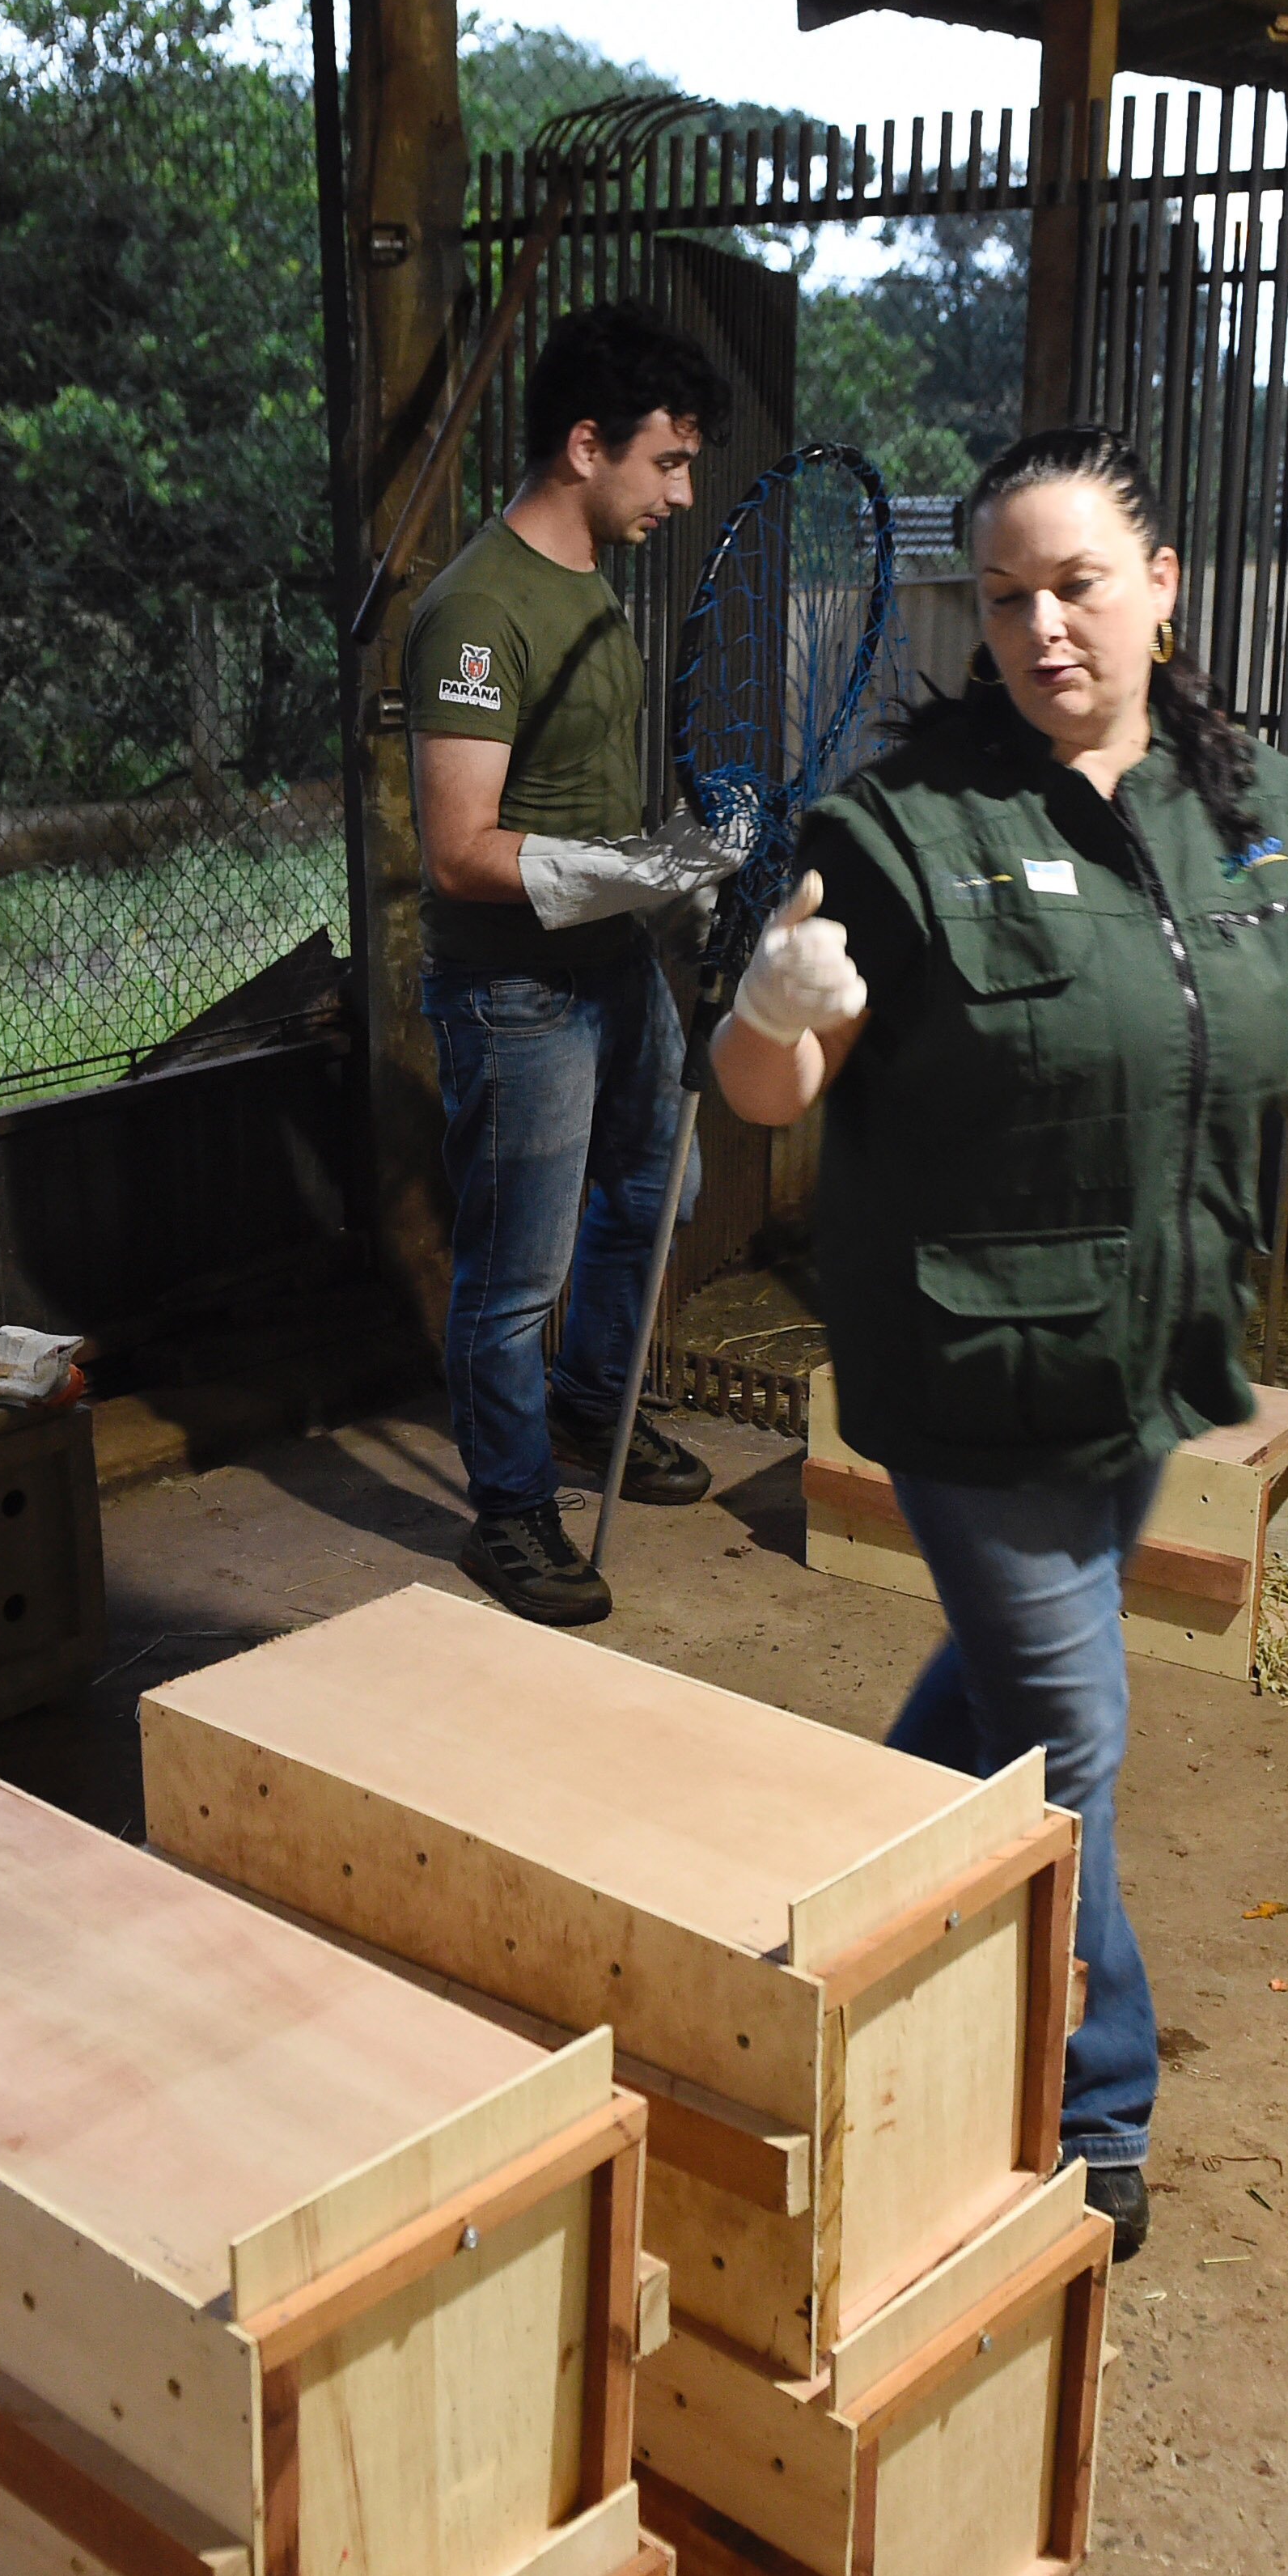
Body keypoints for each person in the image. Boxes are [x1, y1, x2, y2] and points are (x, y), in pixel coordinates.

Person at [710, 427, 1288, 2257]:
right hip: (966, 1374)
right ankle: (1096, 2109)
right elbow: (772, 1086)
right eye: (1003, 594)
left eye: (1076, 584)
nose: (1039, 626)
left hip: (1151, 1352)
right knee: (1073, 1728)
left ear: (1161, 587)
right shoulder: (906, 828)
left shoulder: (1256, 802)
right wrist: (767, 1011)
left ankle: (853, 1910)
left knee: (996, 1706)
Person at [406, 300, 743, 1627]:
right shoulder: (477, 609)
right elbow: (459, 851)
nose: (682, 492)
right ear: (585, 445)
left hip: (612, 967)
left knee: (664, 1181)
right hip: (517, 992)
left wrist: (680, 851)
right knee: (513, 1275)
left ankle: (591, 1406)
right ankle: (510, 1509)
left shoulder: (592, 581)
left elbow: (587, 798)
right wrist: (649, 869)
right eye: (668, 461)